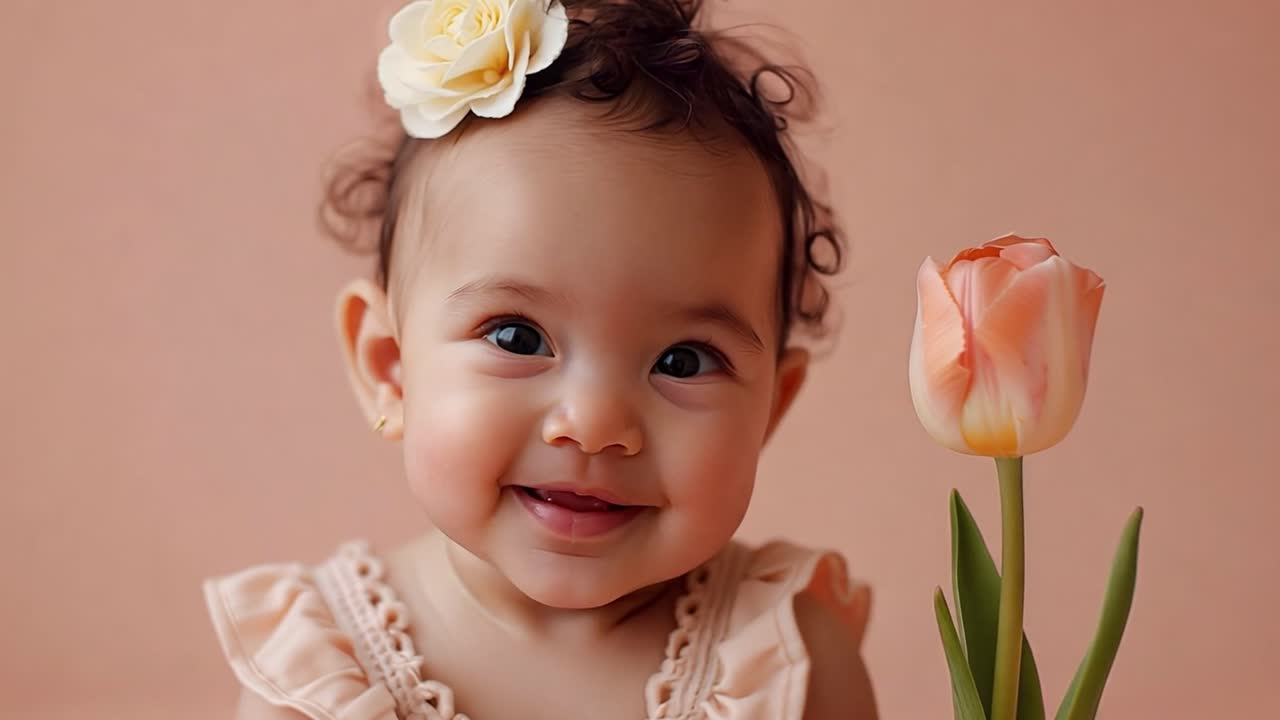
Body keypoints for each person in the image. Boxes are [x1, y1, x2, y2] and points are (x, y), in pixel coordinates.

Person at [203, 1, 876, 718]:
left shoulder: (786, 667)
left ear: (771, 403)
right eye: (518, 338)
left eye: (683, 361)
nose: (593, 424)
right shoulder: (320, 673)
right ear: (389, 365)